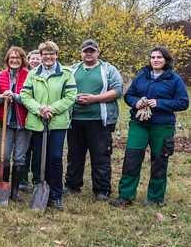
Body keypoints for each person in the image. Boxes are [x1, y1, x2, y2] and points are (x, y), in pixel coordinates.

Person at [112, 47, 189, 207]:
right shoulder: (141, 76)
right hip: (139, 125)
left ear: (166, 60)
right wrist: (136, 102)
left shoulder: (174, 79)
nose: (155, 60)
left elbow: (183, 102)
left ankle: (155, 199)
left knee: (159, 161)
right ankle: (125, 196)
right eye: (152, 57)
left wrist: (159, 103)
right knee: (132, 159)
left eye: (159, 57)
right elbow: (128, 95)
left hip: (162, 126)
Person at [21, 41, 77, 211]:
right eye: (45, 53)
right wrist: (39, 109)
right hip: (37, 122)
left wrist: (52, 109)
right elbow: (25, 94)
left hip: (57, 122)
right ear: (41, 55)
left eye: (51, 53)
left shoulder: (66, 73)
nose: (48, 57)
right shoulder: (33, 74)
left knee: (54, 157)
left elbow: (71, 96)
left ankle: (56, 194)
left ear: (56, 55)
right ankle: (39, 189)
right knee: (39, 158)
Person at [64, 39, 123, 201]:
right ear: (81, 52)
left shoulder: (108, 69)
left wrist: (94, 99)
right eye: (85, 51)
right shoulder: (72, 70)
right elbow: (63, 89)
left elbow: (118, 90)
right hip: (75, 119)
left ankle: (102, 190)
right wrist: (73, 98)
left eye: (92, 51)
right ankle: (72, 185)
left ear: (98, 52)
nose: (88, 53)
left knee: (100, 155)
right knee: (74, 155)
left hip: (99, 120)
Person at [0, 46, 31, 202]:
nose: (14, 60)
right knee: (4, 155)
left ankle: (15, 192)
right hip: (6, 121)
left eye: (17, 58)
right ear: (7, 60)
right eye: (11, 58)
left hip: (23, 122)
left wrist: (15, 96)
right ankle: (4, 188)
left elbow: (30, 97)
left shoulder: (29, 76)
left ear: (22, 60)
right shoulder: (1, 75)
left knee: (19, 157)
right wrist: (2, 96)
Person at [21, 50, 42, 192]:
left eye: (37, 58)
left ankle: (37, 179)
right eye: (32, 58)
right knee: (24, 150)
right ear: (28, 60)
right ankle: (22, 179)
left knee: (39, 151)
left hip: (40, 118)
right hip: (24, 118)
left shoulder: (43, 75)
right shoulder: (24, 74)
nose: (34, 60)